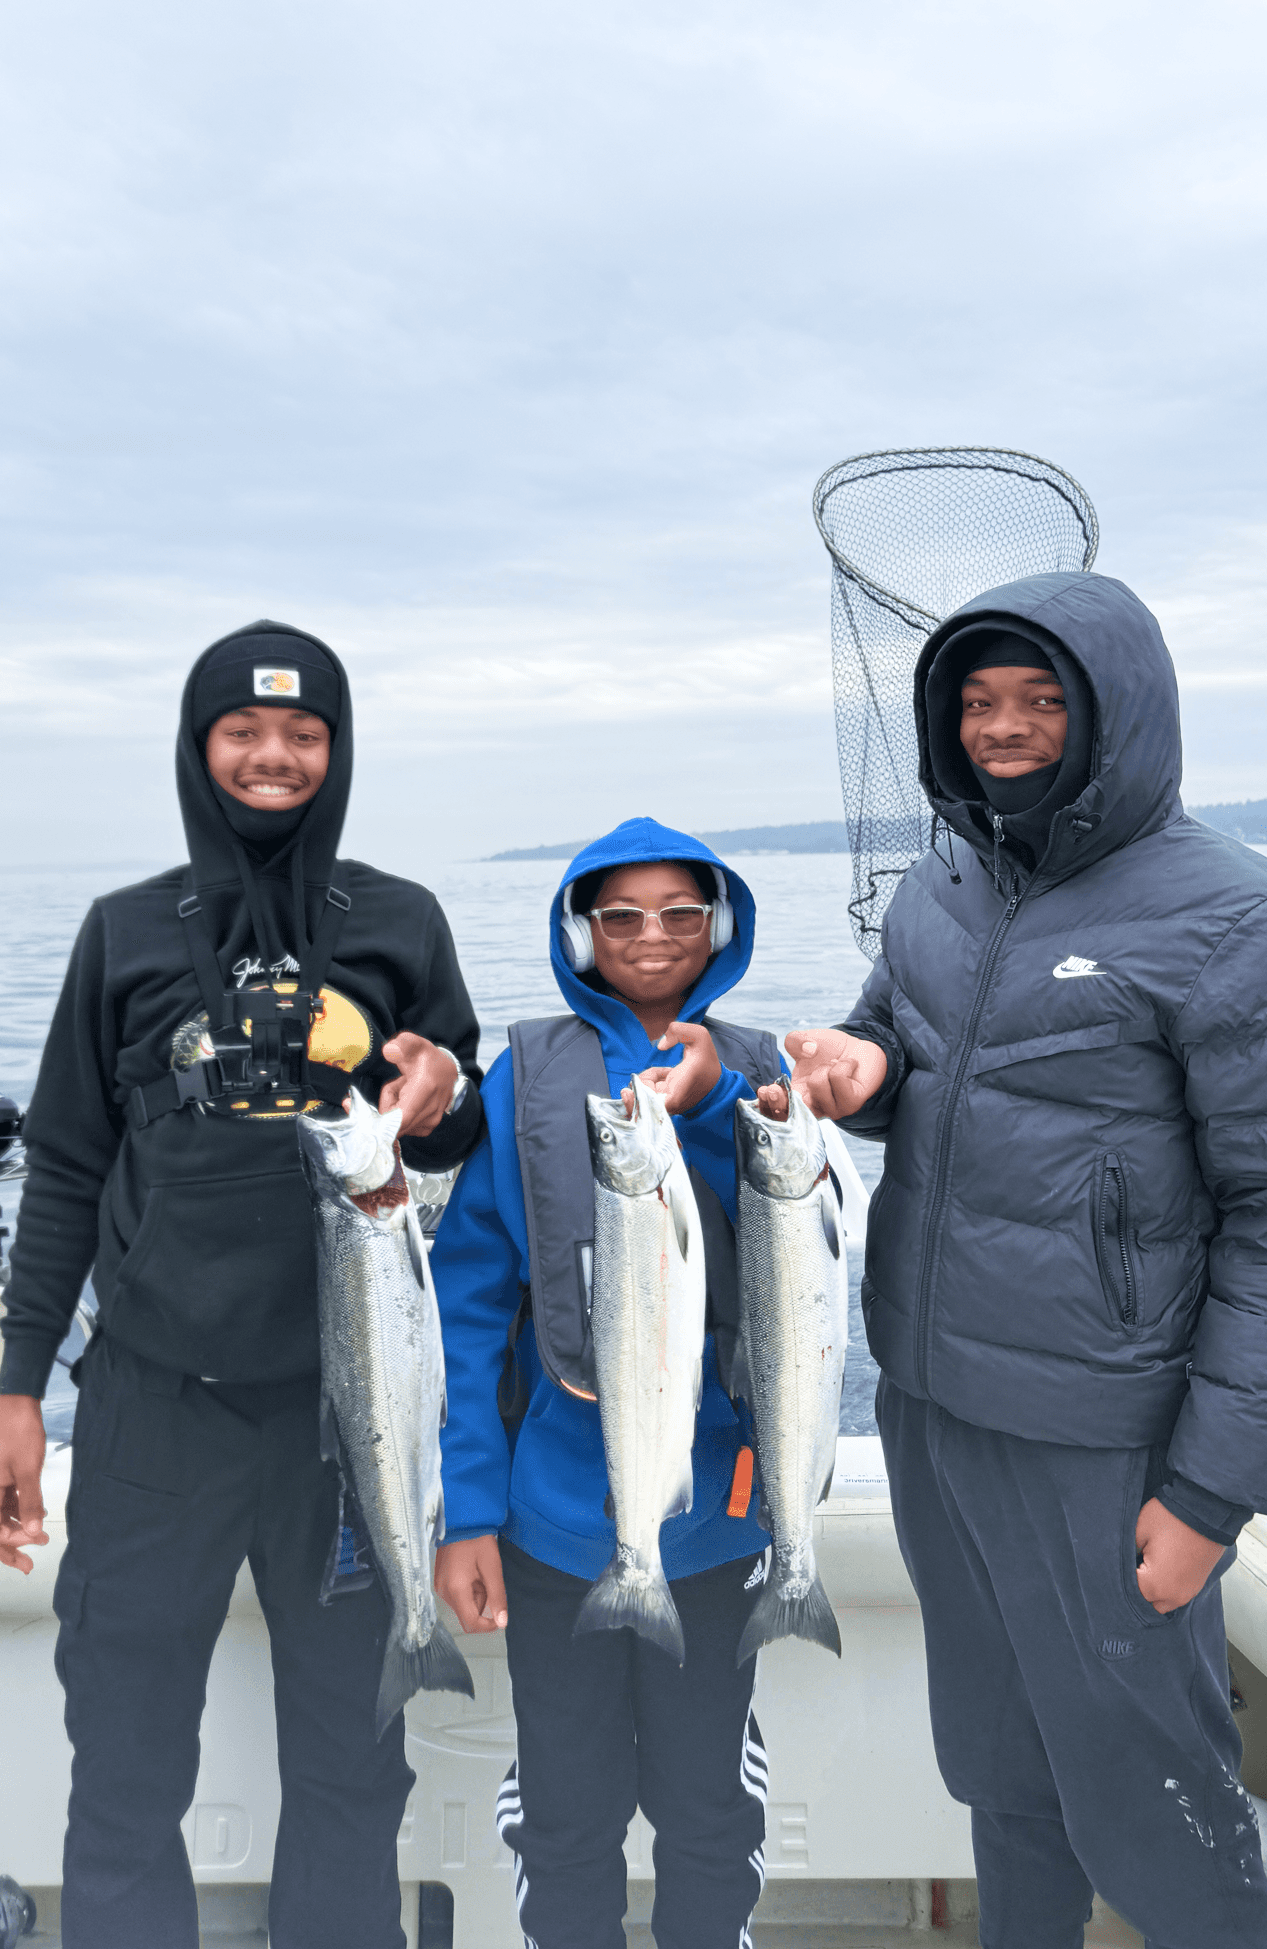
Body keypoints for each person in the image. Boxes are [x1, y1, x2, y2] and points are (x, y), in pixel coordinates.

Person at [776, 574, 1267, 1949]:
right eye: (977, 701)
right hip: (933, 1410)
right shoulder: (944, 878)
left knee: (1150, 1800)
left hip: (1100, 1443)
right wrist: (855, 1074)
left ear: (1117, 715)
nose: (1004, 726)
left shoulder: (1239, 918)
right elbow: (898, 1043)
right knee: (998, 1768)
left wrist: (1213, 1488)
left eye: (1042, 698)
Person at [0, 621, 485, 1949]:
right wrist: (19, 1391)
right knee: (129, 1770)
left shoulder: (400, 920)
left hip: (348, 1419)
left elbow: (458, 1117)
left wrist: (438, 1097)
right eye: (242, 731)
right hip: (155, 1413)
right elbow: (70, 1167)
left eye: (303, 731)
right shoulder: (126, 930)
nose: (273, 755)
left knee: (350, 1770)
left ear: (338, 746)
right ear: (199, 747)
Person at [430, 817, 795, 1949]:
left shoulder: (761, 1069)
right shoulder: (526, 1070)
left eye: (682, 914)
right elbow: (470, 1303)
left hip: (717, 1525)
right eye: (622, 915)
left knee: (706, 1808)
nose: (652, 937)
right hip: (550, 1527)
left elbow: (805, 1276)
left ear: (718, 927)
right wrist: (470, 1511)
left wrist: (725, 1100)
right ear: (581, 931)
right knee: (564, 1809)